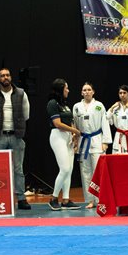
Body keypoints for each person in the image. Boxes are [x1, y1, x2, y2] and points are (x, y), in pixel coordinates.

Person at [0, 67, 31, 210]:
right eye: (2, 76)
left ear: (11, 77)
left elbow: (26, 115)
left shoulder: (21, 93)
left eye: (8, 75)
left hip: (16, 136)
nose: (5, 78)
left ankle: (21, 199)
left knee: (18, 169)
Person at [72, 82, 111, 210]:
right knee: (85, 172)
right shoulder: (77, 107)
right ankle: (90, 200)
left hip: (96, 140)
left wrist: (105, 141)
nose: (87, 92)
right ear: (81, 92)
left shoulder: (99, 106)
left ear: (93, 92)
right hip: (83, 140)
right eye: (84, 90)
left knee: (98, 171)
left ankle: (100, 199)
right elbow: (75, 126)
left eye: (89, 90)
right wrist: (76, 141)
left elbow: (105, 123)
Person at [46, 79, 82, 210]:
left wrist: (73, 136)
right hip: (58, 136)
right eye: (66, 88)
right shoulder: (52, 103)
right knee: (65, 168)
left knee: (70, 170)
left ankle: (66, 200)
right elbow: (58, 124)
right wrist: (76, 131)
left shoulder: (65, 104)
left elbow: (70, 121)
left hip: (67, 137)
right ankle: (54, 198)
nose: (68, 90)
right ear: (60, 89)